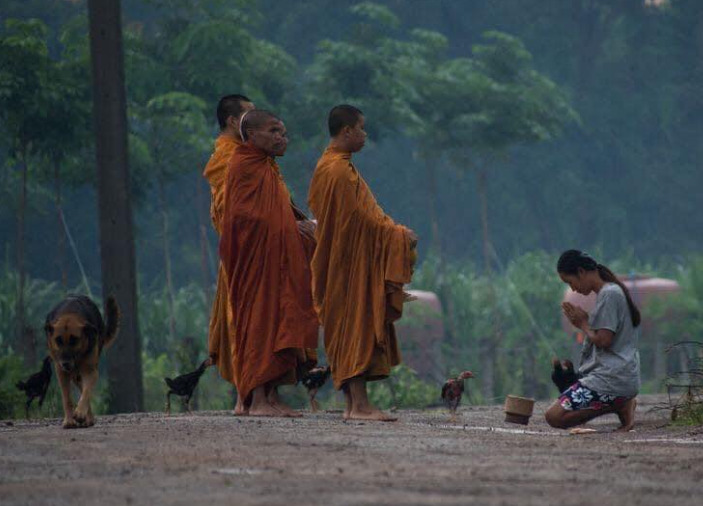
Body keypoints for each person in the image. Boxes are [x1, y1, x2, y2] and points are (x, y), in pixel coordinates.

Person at [308, 105, 417, 421]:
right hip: (349, 264)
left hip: (340, 262)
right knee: (356, 327)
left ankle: (353, 405)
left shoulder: (327, 167)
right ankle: (359, 406)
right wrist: (398, 234)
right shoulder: (339, 171)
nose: (365, 135)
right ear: (347, 131)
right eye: (362, 128)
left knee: (348, 329)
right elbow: (360, 220)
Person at [219, 110, 318, 417]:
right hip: (256, 265)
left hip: (276, 263)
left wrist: (299, 225)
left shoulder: (267, 168)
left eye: (283, 132)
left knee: (279, 323)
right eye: (273, 131)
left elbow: (276, 212)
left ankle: (270, 395)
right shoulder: (244, 165)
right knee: (260, 324)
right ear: (252, 135)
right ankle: (256, 399)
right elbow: (246, 218)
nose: (281, 137)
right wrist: (292, 227)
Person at [545, 250, 641, 431]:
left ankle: (619, 404)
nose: (573, 289)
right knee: (564, 383)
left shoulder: (610, 294)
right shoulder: (608, 293)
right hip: (610, 377)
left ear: (581, 272)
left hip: (612, 379)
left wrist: (582, 323)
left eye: (570, 282)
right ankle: (618, 402)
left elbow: (604, 340)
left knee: (554, 417)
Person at [202, 94, 255, 415]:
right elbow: (229, 210)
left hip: (256, 250)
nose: (253, 119)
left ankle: (259, 394)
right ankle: (243, 395)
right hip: (241, 251)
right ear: (233, 120)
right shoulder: (228, 157)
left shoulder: (245, 155)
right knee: (242, 321)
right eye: (248, 115)